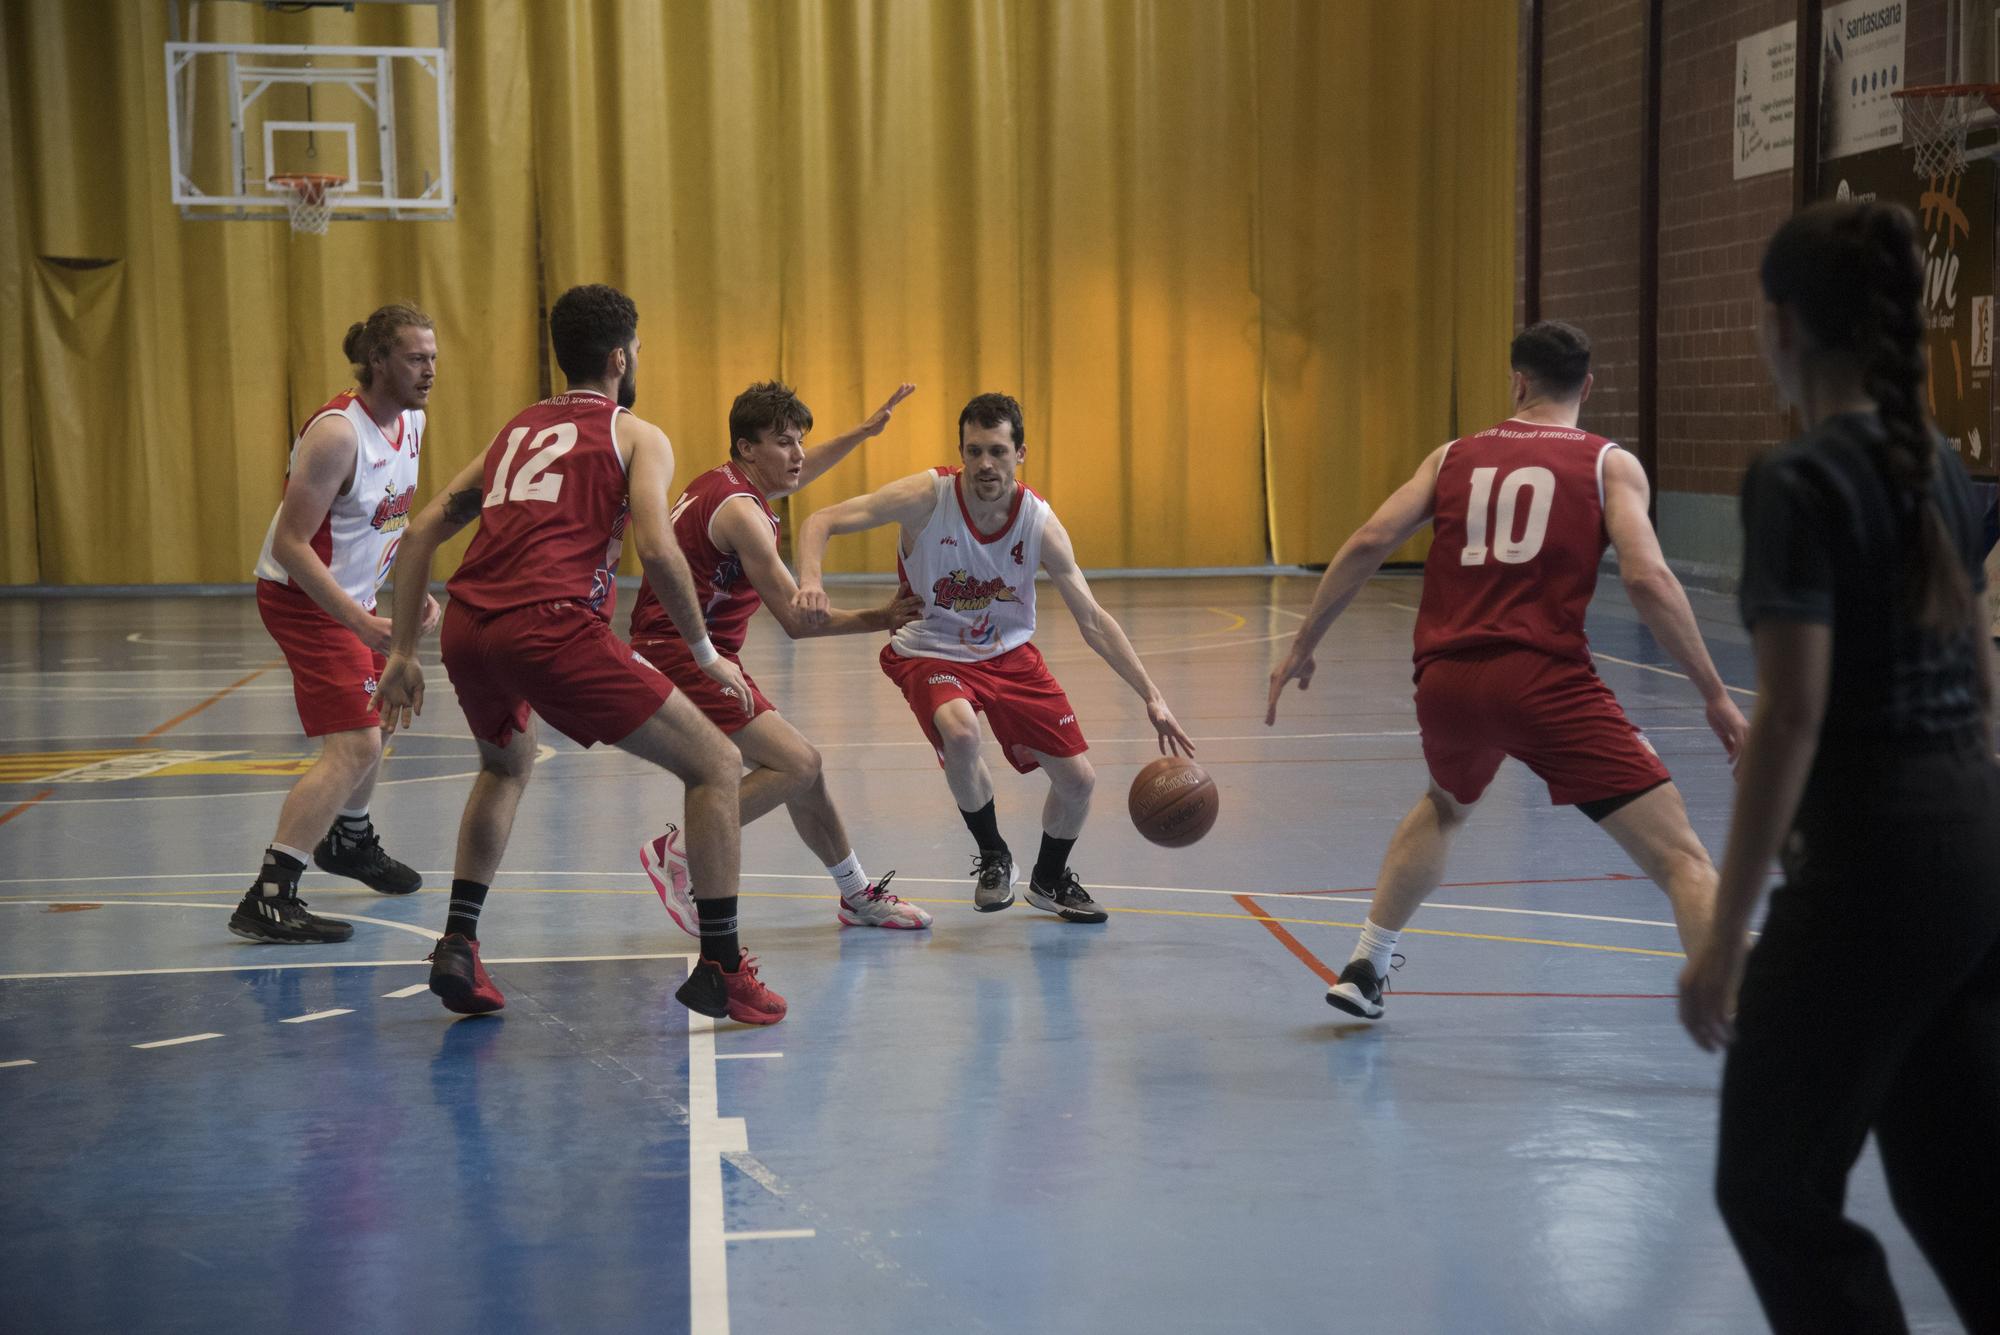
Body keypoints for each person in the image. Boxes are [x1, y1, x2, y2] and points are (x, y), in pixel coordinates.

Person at [1678, 200, 2000, 1334]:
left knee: (1768, 1183)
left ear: (1777, 324)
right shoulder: (1945, 470)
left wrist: (1724, 935)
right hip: (1969, 844)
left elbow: (1791, 715)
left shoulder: (1795, 480)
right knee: (1956, 1185)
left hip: (1871, 864)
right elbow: (1976, 669)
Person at [1266, 320, 1748, 1017]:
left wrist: (1304, 642)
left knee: (1446, 802)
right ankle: (1742, 1024)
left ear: (1517, 381)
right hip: (1543, 682)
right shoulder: (1609, 462)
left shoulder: (1452, 455)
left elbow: (1371, 538)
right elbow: (1649, 579)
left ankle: (1364, 966)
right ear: (1588, 384)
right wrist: (1716, 694)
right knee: (1683, 859)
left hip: (1447, 683)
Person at [375, 283, 785, 1026]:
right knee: (718, 764)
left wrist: (403, 649)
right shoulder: (635, 434)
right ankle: (722, 966)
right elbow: (657, 550)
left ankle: (458, 943)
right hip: (551, 626)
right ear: (621, 357)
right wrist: (704, 649)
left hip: (470, 627)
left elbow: (421, 531)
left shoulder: (517, 428)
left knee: (505, 763)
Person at [792, 392, 1195, 923]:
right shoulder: (925, 498)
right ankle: (993, 856)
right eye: (975, 451)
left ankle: (1049, 881)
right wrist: (812, 581)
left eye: (998, 452)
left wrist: (1153, 695)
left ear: (1020, 453)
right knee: (960, 732)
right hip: (929, 647)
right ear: (961, 452)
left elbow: (1093, 618)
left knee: (1079, 782)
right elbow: (820, 519)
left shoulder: (1038, 523)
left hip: (1009, 655)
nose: (986, 464)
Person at [628, 380, 931, 931]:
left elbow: (801, 469)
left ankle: (856, 894)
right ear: (748, 448)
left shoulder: (722, 482)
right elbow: (796, 622)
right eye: (784, 443)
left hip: (688, 648)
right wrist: (880, 618)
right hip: (684, 655)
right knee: (799, 763)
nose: (797, 455)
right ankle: (679, 853)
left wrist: (860, 434)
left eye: (799, 442)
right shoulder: (743, 515)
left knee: (803, 772)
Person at [230, 304, 442, 945]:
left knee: (379, 715)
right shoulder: (336, 434)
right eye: (415, 357)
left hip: (353, 597)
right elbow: (294, 543)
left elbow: (387, 523)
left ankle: (349, 839)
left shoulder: (412, 421)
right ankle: (269, 895)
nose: (430, 370)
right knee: (355, 746)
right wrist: (361, 620)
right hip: (303, 599)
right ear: (377, 361)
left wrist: (411, 596)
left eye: (433, 357)